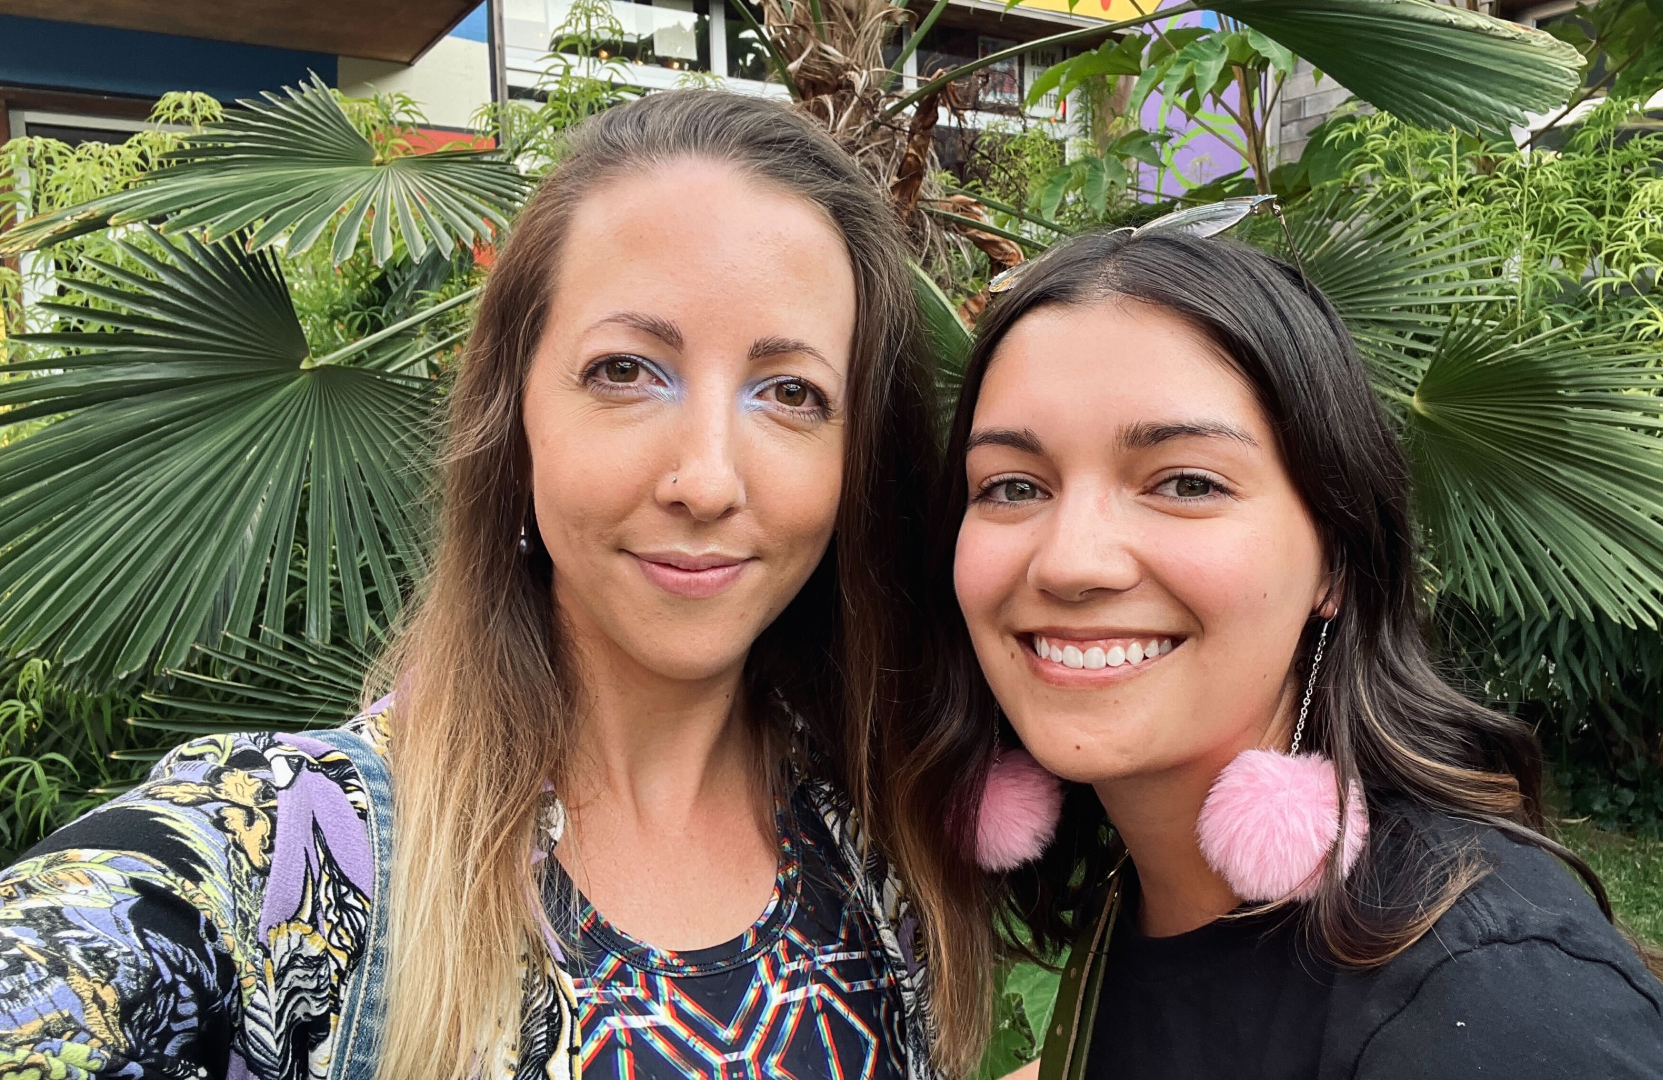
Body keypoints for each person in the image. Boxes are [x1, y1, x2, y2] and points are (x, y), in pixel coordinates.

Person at [0, 91, 996, 1080]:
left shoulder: (884, 837)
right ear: (514, 417)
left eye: (791, 392)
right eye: (625, 370)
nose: (706, 481)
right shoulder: (303, 853)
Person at [931, 223, 1663, 1079]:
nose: (1070, 562)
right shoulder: (1143, 889)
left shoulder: (1492, 999)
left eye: (1187, 483)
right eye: (1013, 487)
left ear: (1335, 561)